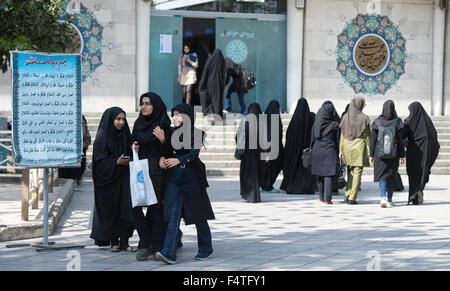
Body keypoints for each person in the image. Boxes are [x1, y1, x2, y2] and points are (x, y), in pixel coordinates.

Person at [155, 103, 215, 264]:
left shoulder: (197, 134)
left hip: (192, 180)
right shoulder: (170, 133)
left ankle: (206, 248)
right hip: (174, 180)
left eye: (179, 114)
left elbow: (194, 154)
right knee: (173, 216)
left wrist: (179, 159)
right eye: (173, 114)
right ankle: (169, 252)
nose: (175, 117)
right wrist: (162, 143)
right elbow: (166, 152)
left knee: (199, 216)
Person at [131, 92, 173, 261]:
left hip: (157, 171)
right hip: (140, 170)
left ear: (155, 105)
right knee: (134, 207)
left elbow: (169, 153)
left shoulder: (163, 123)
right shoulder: (138, 123)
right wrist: (133, 146)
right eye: (142, 103)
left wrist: (163, 141)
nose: (144, 107)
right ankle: (146, 241)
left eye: (147, 103)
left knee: (155, 208)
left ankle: (154, 245)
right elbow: (133, 141)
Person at [90, 107, 136, 252]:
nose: (121, 122)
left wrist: (134, 150)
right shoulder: (102, 137)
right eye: (118, 119)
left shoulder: (126, 135)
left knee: (126, 209)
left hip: (124, 179)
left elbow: (131, 154)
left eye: (123, 119)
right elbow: (99, 161)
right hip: (108, 182)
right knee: (112, 211)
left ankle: (125, 242)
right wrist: (115, 162)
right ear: (111, 120)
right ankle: (114, 241)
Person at [370, 100, 406, 208]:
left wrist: (371, 155)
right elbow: (400, 141)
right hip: (393, 154)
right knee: (391, 175)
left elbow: (373, 140)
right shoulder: (398, 122)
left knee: (382, 176)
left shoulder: (377, 122)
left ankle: (382, 198)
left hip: (379, 153)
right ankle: (390, 199)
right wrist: (402, 155)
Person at [403, 102, 440, 205]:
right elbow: (435, 141)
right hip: (426, 155)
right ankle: (419, 191)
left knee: (413, 174)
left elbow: (403, 137)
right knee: (423, 173)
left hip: (413, 155)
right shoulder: (428, 123)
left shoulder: (408, 122)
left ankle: (414, 195)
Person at [339, 97, 371, 204]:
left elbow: (342, 135)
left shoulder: (345, 117)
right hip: (359, 147)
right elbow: (368, 136)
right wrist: (372, 149)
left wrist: (341, 150)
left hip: (347, 147)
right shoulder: (365, 118)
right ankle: (352, 197)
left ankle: (347, 194)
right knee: (357, 172)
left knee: (351, 171)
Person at [280, 98, 315, 194]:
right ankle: (305, 187)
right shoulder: (310, 121)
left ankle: (290, 185)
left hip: (293, 153)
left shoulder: (293, 123)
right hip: (306, 152)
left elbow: (289, 138)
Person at [311, 102, 340, 204]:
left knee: (320, 175)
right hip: (329, 152)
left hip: (317, 150)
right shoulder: (335, 125)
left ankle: (321, 198)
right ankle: (327, 199)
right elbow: (338, 141)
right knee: (328, 175)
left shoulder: (316, 124)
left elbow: (312, 139)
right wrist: (339, 153)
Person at [237, 103, 264, 202]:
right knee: (256, 174)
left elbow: (238, 136)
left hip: (246, 155)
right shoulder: (262, 122)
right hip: (258, 154)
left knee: (247, 174)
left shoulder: (245, 121)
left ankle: (248, 194)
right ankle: (255, 195)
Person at [58, 115, 91, 185]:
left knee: (79, 166)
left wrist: (85, 143)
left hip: (80, 147)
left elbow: (86, 132)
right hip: (67, 147)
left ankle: (77, 178)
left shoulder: (81, 117)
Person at [261, 100, 284, 193]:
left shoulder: (264, 119)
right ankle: (267, 186)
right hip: (271, 149)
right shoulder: (275, 120)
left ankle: (266, 185)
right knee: (272, 167)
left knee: (269, 167)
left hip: (267, 148)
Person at [199, 49, 226, 118]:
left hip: (210, 83)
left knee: (210, 98)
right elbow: (224, 72)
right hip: (219, 83)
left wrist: (203, 82)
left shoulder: (210, 60)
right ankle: (218, 114)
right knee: (218, 99)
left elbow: (205, 71)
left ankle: (210, 113)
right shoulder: (222, 61)